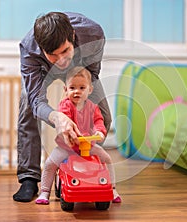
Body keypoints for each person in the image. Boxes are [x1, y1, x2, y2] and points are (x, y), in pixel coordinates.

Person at [13, 11, 112, 202]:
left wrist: (81, 113)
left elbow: (92, 74)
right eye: (52, 55)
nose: (60, 60)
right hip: (42, 71)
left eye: (64, 51)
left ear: (73, 37)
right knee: (27, 106)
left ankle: (86, 164)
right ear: (41, 49)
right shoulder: (28, 49)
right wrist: (58, 118)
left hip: (80, 68)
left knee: (104, 115)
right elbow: (37, 102)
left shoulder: (94, 34)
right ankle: (29, 178)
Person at [35, 67, 121, 204]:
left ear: (90, 90)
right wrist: (72, 133)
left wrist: (100, 131)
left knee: (106, 159)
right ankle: (44, 192)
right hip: (67, 147)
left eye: (82, 87)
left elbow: (99, 120)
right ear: (66, 90)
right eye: (72, 87)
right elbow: (65, 118)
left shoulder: (93, 107)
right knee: (50, 163)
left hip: (88, 146)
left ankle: (112, 188)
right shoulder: (65, 105)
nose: (77, 91)